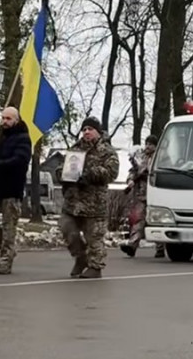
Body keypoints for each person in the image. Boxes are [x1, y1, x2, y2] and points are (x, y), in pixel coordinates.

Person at [57, 116, 119, 279]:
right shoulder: (76, 149)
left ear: (98, 132)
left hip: (94, 204)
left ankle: (95, 267)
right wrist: (62, 174)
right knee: (67, 229)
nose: (86, 132)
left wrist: (90, 174)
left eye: (90, 129)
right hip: (73, 202)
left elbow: (111, 173)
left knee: (94, 238)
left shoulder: (107, 151)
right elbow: (62, 166)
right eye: (84, 129)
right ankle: (80, 258)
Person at [0, 106, 32, 275]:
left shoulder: (23, 138)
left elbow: (19, 161)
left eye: (8, 119)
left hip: (12, 188)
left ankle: (5, 258)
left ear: (16, 120)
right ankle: (7, 247)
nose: (4, 122)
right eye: (3, 118)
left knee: (9, 225)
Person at [121, 135, 165, 258]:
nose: (148, 146)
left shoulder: (161, 158)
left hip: (155, 194)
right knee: (138, 220)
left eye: (151, 144)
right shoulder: (141, 158)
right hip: (140, 194)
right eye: (146, 144)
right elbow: (133, 171)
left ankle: (160, 247)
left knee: (156, 221)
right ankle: (132, 245)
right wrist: (130, 180)